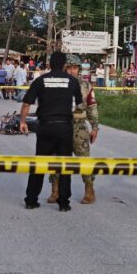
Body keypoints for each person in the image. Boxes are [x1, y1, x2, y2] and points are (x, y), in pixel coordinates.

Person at [19, 51, 83, 212]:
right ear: (64, 65)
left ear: (49, 64)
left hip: (45, 127)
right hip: (64, 127)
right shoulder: (72, 81)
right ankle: (63, 203)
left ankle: (31, 200)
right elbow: (79, 105)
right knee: (64, 166)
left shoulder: (41, 80)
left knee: (39, 164)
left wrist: (22, 122)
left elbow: (27, 103)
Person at [47, 54, 99, 205]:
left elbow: (92, 108)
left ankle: (89, 190)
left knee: (84, 160)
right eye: (68, 67)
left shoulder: (86, 86)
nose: (71, 71)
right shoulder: (54, 84)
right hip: (59, 125)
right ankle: (55, 191)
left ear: (79, 69)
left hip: (79, 126)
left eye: (74, 68)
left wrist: (95, 127)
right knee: (56, 159)